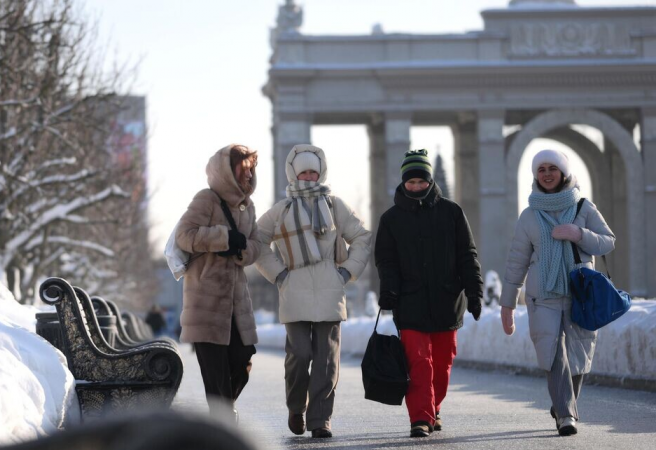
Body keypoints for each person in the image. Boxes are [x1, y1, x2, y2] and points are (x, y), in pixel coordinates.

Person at [255, 144, 372, 439]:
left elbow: (361, 237)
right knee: (299, 354)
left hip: (331, 292)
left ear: (321, 173)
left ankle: (321, 419)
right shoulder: (281, 210)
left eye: (313, 171)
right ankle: (297, 407)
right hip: (294, 292)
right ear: (294, 173)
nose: (308, 176)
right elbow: (256, 243)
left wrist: (346, 272)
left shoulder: (335, 205)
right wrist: (279, 274)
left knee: (327, 359)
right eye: (303, 171)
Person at [499, 149, 614, 436]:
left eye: (552, 168)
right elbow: (517, 261)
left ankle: (565, 402)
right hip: (542, 297)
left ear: (563, 173)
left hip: (580, 295)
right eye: (541, 169)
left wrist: (579, 235)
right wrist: (507, 303)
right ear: (536, 175)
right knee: (553, 354)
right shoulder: (528, 215)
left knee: (578, 354)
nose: (547, 174)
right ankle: (565, 414)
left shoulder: (584, 207)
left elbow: (607, 242)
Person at [373, 148, 483, 438]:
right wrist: (389, 290)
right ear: (404, 182)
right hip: (410, 303)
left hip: (448, 301)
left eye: (421, 181)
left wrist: (475, 292)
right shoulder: (391, 219)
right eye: (411, 182)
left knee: (443, 363)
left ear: (430, 181)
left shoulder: (452, 212)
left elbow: (467, 255)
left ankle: (433, 408)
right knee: (419, 362)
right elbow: (386, 260)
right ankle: (420, 418)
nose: (417, 186)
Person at [175, 144, 261, 424]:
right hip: (206, 303)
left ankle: (225, 409)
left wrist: (241, 249)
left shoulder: (248, 207)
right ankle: (222, 420)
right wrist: (223, 238)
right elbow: (184, 236)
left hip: (237, 302)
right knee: (214, 371)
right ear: (228, 171)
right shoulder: (206, 200)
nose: (249, 174)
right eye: (244, 168)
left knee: (243, 358)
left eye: (251, 169)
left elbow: (257, 247)